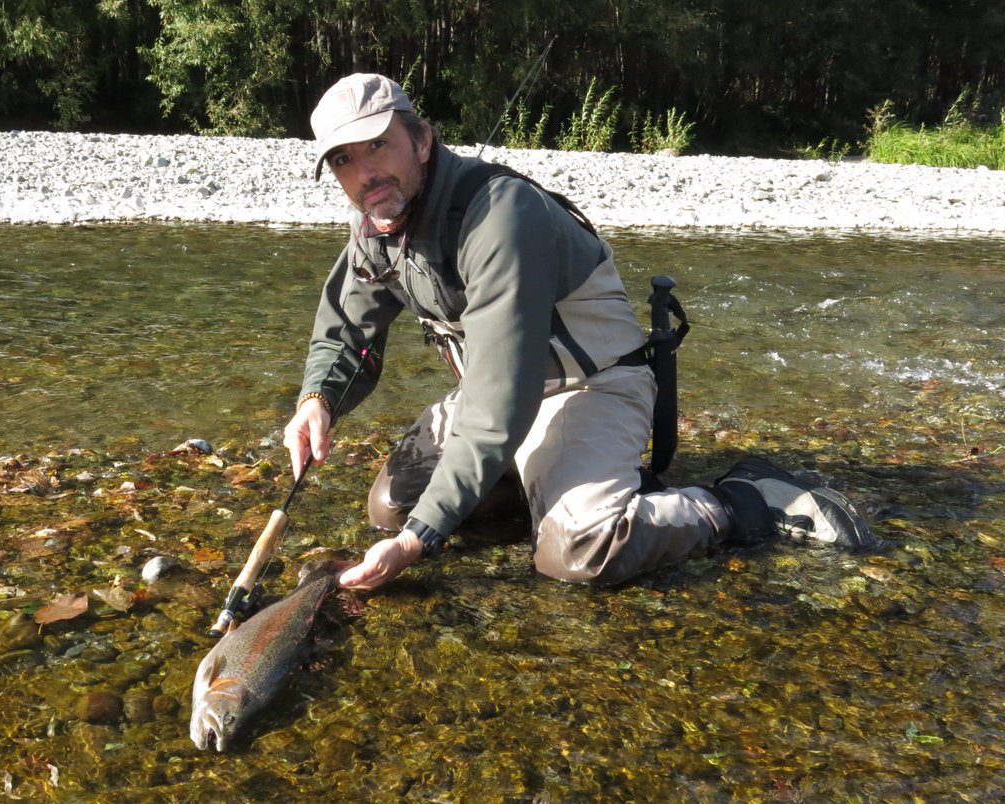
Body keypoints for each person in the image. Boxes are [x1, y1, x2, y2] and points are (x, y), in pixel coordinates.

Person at [282, 73, 873, 592]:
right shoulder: (377, 224)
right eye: (343, 160)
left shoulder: (499, 216)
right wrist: (318, 402)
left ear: (423, 138)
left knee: (576, 552)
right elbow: (347, 332)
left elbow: (497, 405)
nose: (365, 174)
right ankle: (549, 485)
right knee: (394, 507)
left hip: (590, 387)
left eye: (378, 146)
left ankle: (747, 501)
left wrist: (420, 542)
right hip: (501, 395)